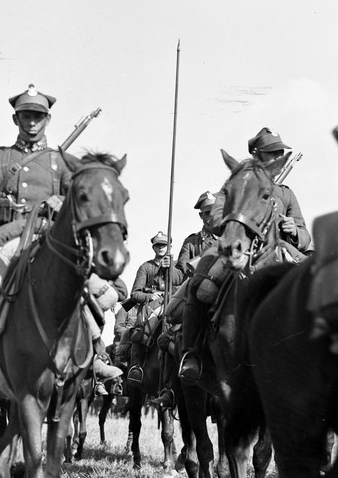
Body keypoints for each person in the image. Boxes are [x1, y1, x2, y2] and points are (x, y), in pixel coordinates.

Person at [0, 84, 121, 388]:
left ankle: (96, 355)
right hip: (0, 240)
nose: (31, 122)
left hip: (44, 239)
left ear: (47, 120)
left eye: (37, 116)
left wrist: (58, 203)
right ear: (16, 120)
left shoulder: (60, 162)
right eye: (25, 116)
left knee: (88, 286)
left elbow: (78, 204)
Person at [178, 128, 313, 382]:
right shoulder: (235, 184)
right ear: (256, 154)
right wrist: (240, 219)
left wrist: (294, 230)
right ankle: (192, 355)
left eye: (280, 152)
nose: (278, 156)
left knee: (318, 279)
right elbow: (216, 216)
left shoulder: (285, 192)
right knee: (199, 285)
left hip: (279, 248)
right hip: (238, 245)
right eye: (272, 152)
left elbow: (305, 235)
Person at [150, 191, 218, 407]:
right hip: (199, 293)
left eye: (214, 211)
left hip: (224, 288)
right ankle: (170, 388)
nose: (211, 216)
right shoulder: (192, 242)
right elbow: (180, 274)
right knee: (169, 335)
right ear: (201, 216)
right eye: (206, 213)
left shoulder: (231, 234)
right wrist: (171, 269)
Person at [125, 231, 184, 386]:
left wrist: (170, 267)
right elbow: (135, 294)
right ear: (153, 247)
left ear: (169, 246)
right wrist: (149, 297)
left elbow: (180, 280)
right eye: (158, 245)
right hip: (152, 308)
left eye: (164, 245)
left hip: (172, 304)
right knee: (144, 331)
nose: (161, 248)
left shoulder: (177, 266)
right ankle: (137, 367)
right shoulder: (146, 267)